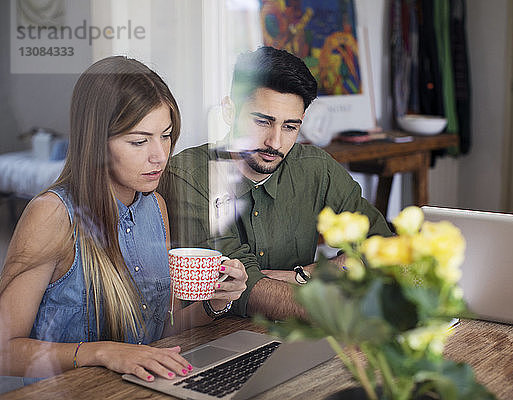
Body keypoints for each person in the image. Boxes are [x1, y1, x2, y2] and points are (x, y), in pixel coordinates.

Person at [0, 56, 247, 384]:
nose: (159, 155)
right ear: (97, 141)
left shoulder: (155, 206)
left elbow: (159, 329)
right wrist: (101, 352)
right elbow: (4, 350)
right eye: (139, 141)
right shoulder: (53, 214)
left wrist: (215, 301)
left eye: (166, 135)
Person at [161, 46, 392, 321]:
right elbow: (245, 291)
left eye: (290, 126)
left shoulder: (316, 168)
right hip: (212, 341)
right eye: (262, 122)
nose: (275, 142)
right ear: (229, 111)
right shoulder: (189, 177)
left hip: (300, 335)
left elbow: (385, 248)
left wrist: (306, 274)